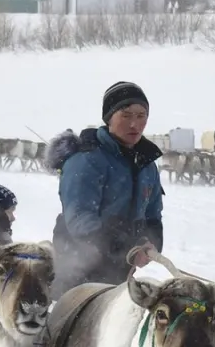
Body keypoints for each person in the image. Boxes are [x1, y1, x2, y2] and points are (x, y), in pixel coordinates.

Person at [52, 81, 163, 294]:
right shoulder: (86, 160)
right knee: (71, 323)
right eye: (126, 115)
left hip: (120, 266)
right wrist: (126, 247)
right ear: (109, 118)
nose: (134, 124)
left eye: (141, 116)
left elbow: (152, 214)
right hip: (78, 265)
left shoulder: (147, 165)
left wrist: (151, 243)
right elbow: (80, 219)